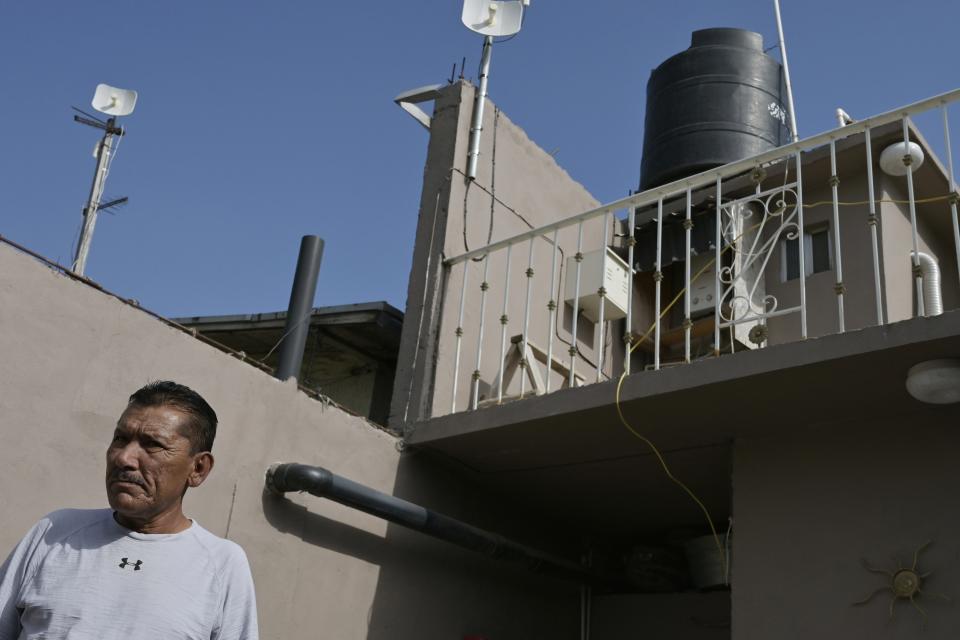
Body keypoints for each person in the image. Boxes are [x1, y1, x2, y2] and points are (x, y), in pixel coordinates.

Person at [0, 381, 258, 640]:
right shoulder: (55, 531)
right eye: (120, 439)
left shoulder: (222, 564)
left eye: (152, 444)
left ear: (198, 468)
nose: (124, 458)